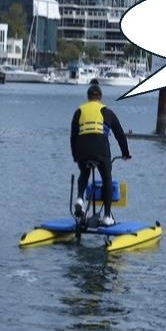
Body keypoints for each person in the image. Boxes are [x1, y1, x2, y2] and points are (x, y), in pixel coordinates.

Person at [70, 82, 131, 226]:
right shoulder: (107, 112)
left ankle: (80, 199)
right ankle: (107, 216)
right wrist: (125, 153)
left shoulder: (79, 111)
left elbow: (73, 137)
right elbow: (120, 135)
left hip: (82, 150)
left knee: (84, 172)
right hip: (101, 150)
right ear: (100, 98)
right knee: (107, 178)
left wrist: (75, 156)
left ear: (88, 97)